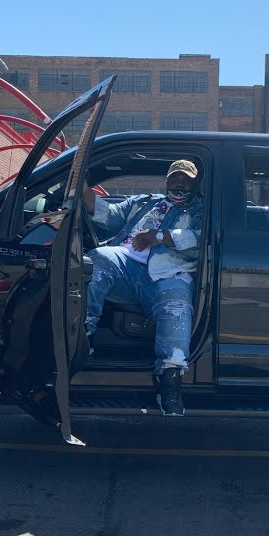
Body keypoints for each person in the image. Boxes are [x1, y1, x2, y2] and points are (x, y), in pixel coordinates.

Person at [81, 160, 204, 416]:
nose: (179, 184)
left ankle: (169, 380)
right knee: (98, 258)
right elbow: (107, 214)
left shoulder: (200, 209)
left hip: (169, 272)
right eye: (175, 178)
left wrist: (158, 236)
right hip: (125, 265)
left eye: (186, 180)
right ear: (167, 181)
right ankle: (84, 337)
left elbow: (200, 238)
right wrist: (79, 184)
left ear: (195, 184)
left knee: (176, 308)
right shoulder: (144, 202)